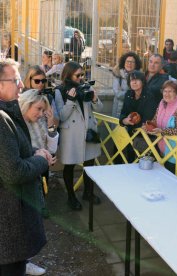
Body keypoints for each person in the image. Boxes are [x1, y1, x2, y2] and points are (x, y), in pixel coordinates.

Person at [0, 59, 54, 276]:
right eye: (16, 79)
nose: (22, 85)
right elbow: (13, 171)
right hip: (8, 223)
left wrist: (34, 153)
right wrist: (41, 160)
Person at [18, 89, 59, 275]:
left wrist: (51, 125)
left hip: (38, 172)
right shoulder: (14, 125)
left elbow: (52, 147)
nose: (41, 113)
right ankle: (21, 262)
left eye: (44, 110)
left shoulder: (40, 120)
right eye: (39, 109)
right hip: (24, 175)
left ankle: (24, 261)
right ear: (27, 104)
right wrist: (39, 155)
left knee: (31, 219)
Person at [54, 61, 103, 211]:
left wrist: (94, 98)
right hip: (72, 134)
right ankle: (71, 196)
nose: (81, 78)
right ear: (68, 75)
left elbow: (99, 108)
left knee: (90, 164)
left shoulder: (87, 87)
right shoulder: (59, 91)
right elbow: (61, 116)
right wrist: (70, 100)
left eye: (82, 74)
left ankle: (88, 193)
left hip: (88, 131)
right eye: (78, 75)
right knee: (69, 165)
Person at [142, 80, 177, 172]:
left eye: (170, 91)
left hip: (175, 152)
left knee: (172, 179)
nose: (167, 94)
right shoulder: (162, 102)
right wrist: (148, 126)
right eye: (165, 91)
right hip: (162, 148)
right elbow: (155, 120)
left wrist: (162, 131)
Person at [119, 70, 157, 162]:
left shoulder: (149, 96)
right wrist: (124, 120)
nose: (134, 82)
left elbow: (148, 117)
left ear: (143, 82)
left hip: (145, 135)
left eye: (137, 80)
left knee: (143, 162)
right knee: (130, 159)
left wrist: (135, 122)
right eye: (131, 80)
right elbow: (123, 112)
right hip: (131, 133)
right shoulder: (128, 94)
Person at [112, 52, 142, 118]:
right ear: (124, 62)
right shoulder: (118, 75)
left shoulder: (140, 76)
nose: (129, 64)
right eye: (127, 61)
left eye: (132, 62)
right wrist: (133, 93)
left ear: (136, 64)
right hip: (119, 110)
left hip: (134, 110)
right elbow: (118, 94)